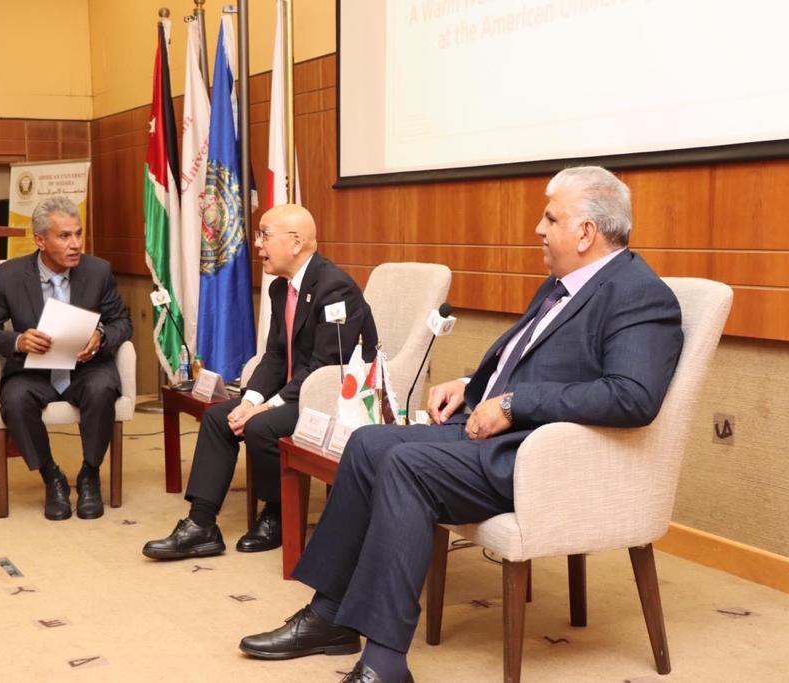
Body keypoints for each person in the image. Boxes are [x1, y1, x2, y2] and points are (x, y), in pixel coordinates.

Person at [238, 167, 684, 683]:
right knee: (366, 444)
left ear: (586, 232)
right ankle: (329, 617)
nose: (538, 229)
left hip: (537, 456)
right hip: (495, 431)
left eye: (550, 218)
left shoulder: (638, 293)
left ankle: (384, 662)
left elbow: (631, 397)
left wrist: (513, 404)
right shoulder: (563, 284)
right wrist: (470, 386)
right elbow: (533, 363)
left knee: (405, 465)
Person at [143, 204, 378, 560]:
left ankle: (277, 512)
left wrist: (266, 407)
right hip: (295, 391)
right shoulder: (281, 289)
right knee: (219, 418)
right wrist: (250, 401)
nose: (257, 244)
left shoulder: (335, 288)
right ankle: (201, 524)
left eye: (265, 235)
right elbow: (275, 355)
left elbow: (326, 367)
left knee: (261, 427)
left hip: (330, 396)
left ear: (295, 242)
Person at [0, 196, 132, 521]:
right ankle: (51, 476)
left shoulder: (98, 271)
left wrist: (101, 336)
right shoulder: (8, 276)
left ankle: (90, 474)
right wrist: (18, 340)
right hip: (33, 371)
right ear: (40, 240)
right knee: (15, 400)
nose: (75, 244)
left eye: (78, 234)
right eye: (64, 236)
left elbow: (122, 323)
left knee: (102, 389)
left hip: (85, 367)